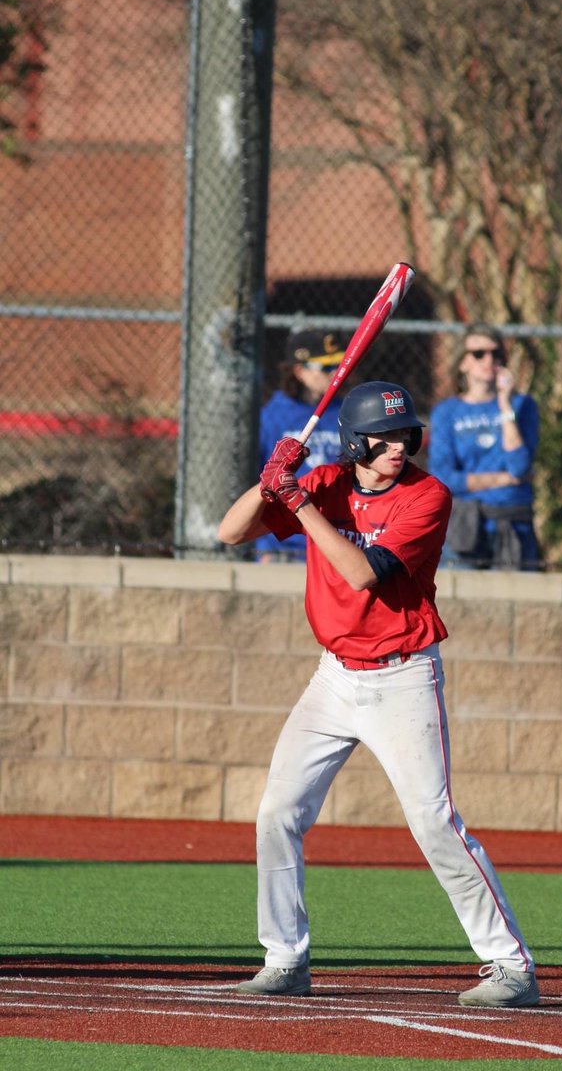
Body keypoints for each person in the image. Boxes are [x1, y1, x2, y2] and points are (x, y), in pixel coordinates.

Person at [218, 380, 539, 1009]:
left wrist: (298, 501)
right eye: (383, 437)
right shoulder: (323, 484)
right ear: (354, 441)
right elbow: (231, 532)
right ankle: (285, 957)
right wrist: (271, 481)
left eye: (404, 435)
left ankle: (511, 966)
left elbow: (362, 573)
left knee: (433, 820)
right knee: (277, 813)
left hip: (403, 675)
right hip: (334, 676)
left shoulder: (428, 495)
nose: (397, 446)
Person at [427, 324, 540, 570]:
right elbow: (443, 478)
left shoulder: (522, 405)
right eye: (479, 354)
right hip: (464, 522)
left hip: (513, 521)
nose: (488, 360)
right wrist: (501, 478)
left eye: (495, 353)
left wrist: (504, 405)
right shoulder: (447, 412)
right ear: (463, 363)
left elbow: (520, 467)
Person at [255, 329, 346, 562]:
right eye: (325, 368)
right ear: (298, 371)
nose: (336, 373)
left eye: (337, 365)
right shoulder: (273, 415)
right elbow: (259, 484)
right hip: (283, 542)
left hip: (333, 537)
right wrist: (265, 547)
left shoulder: (344, 412)